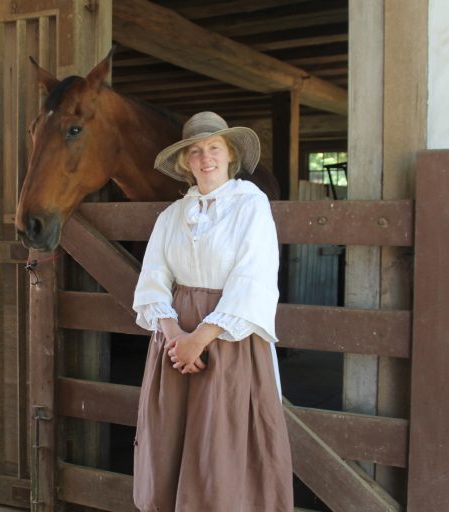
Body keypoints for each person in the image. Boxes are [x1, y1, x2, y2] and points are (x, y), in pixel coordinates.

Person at [132, 111, 293, 511]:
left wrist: (199, 341)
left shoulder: (251, 207)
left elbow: (252, 280)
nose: (206, 158)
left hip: (228, 342)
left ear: (230, 154)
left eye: (214, 148)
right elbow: (153, 280)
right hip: (175, 345)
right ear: (186, 161)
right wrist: (176, 341)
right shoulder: (171, 216)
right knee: (171, 437)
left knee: (220, 442)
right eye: (196, 151)